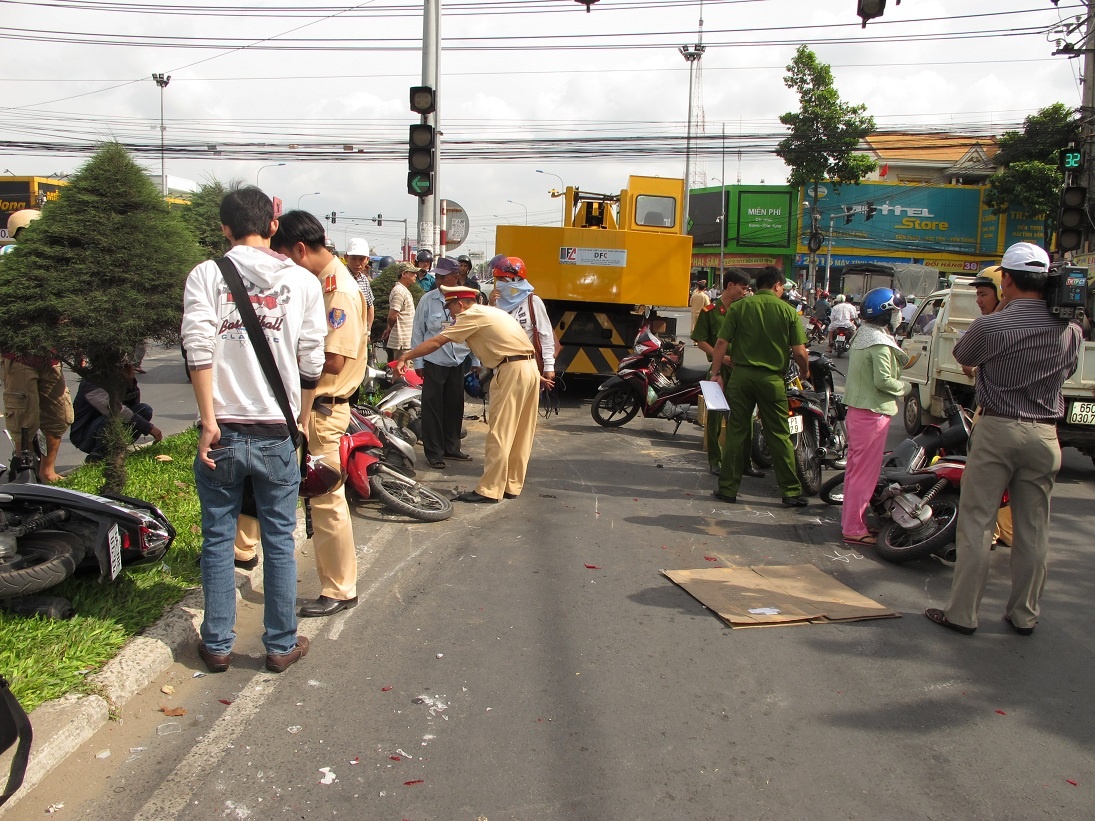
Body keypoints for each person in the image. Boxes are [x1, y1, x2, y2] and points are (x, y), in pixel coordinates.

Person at [182, 185, 326, 674]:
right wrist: (302, 419)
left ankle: (217, 643)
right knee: (279, 539)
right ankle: (280, 645)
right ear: (271, 226)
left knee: (219, 537)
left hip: (222, 429)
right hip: (278, 431)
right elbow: (312, 358)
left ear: (224, 228)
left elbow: (198, 350)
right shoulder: (304, 282)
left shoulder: (205, 275)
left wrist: (207, 424)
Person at [925, 242, 1082, 637]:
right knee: (1033, 529)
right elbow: (1066, 372)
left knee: (978, 521)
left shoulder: (992, 325)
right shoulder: (1072, 330)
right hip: (1046, 434)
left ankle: (962, 614)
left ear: (1006, 279)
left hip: (998, 429)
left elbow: (966, 355)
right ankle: (1024, 615)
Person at [270, 210, 370, 618]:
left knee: (327, 499)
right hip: (316, 406)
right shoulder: (327, 283)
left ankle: (340, 589)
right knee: (317, 497)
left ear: (299, 249)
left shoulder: (338, 290)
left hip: (325, 408)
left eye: (284, 258)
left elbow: (332, 360)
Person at [394, 285, 539, 503]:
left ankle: (489, 489)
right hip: (528, 368)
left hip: (510, 371)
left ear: (459, 303)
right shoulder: (492, 312)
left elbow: (436, 341)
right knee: (521, 433)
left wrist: (407, 356)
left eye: (450, 306)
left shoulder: (471, 315)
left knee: (500, 432)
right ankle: (511, 485)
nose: (449, 312)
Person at [708, 266, 810, 506]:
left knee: (736, 432)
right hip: (772, 380)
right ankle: (791, 492)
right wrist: (805, 373)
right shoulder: (788, 311)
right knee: (779, 435)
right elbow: (799, 352)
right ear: (776, 285)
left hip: (741, 378)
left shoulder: (739, 307)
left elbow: (722, 342)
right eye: (782, 286)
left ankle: (727, 489)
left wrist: (715, 373)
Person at [0, 208, 74, 483]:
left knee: (59, 415)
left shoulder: (55, 265)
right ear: (19, 234)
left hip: (50, 356)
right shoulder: (7, 263)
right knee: (23, 418)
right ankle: (24, 470)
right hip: (17, 355)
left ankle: (47, 469)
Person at [839, 288, 909, 546]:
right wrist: (906, 388)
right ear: (886, 313)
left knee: (855, 473)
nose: (898, 317)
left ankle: (852, 523)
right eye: (895, 312)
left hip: (859, 412)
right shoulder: (879, 343)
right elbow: (884, 381)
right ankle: (854, 528)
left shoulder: (862, 335)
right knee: (863, 476)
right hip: (872, 414)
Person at [691, 268, 764, 479]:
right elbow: (700, 340)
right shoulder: (710, 312)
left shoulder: (745, 309)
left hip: (741, 371)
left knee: (745, 417)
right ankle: (715, 460)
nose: (745, 291)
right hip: (718, 372)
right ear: (730, 285)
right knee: (714, 418)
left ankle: (745, 462)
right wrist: (719, 357)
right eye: (743, 287)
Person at [963, 266, 1014, 547]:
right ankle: (1004, 531)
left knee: (986, 484)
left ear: (1002, 291)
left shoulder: (990, 326)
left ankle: (991, 532)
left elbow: (965, 361)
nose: (979, 300)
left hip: (994, 418)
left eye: (983, 294)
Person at [410, 256, 474, 469]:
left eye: (443, 276)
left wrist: (475, 359)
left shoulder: (467, 298)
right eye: (436, 276)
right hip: (434, 361)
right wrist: (418, 362)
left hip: (458, 361)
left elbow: (476, 330)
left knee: (455, 406)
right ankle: (434, 453)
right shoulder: (428, 300)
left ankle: (452, 448)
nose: (438, 280)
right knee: (433, 409)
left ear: (456, 277)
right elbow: (418, 331)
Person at [69, 359, 163, 461]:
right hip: (86, 436)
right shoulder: (92, 381)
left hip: (105, 423)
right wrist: (148, 428)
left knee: (145, 410)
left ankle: (119, 448)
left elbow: (132, 407)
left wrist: (129, 382)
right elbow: (112, 409)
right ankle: (98, 455)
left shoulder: (119, 378)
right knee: (114, 416)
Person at [487, 256, 555, 387]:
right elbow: (488, 331)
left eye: (502, 279)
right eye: (498, 280)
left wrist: (549, 366)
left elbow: (546, 335)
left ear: (516, 280)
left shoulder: (533, 302)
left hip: (528, 369)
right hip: (502, 369)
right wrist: (490, 305)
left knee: (526, 407)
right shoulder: (496, 303)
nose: (499, 284)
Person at [382, 261, 418, 362]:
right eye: (412, 273)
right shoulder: (399, 291)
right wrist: (392, 328)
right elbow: (392, 316)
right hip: (402, 341)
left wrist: (389, 328)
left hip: (406, 340)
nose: (415, 275)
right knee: (402, 373)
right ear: (404, 274)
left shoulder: (402, 290)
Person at [344, 237, 376, 330]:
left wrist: (368, 330)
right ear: (346, 258)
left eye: (361, 259)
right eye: (353, 259)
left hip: (360, 331)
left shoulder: (364, 280)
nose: (357, 263)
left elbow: (370, 306)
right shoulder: (339, 277)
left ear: (367, 260)